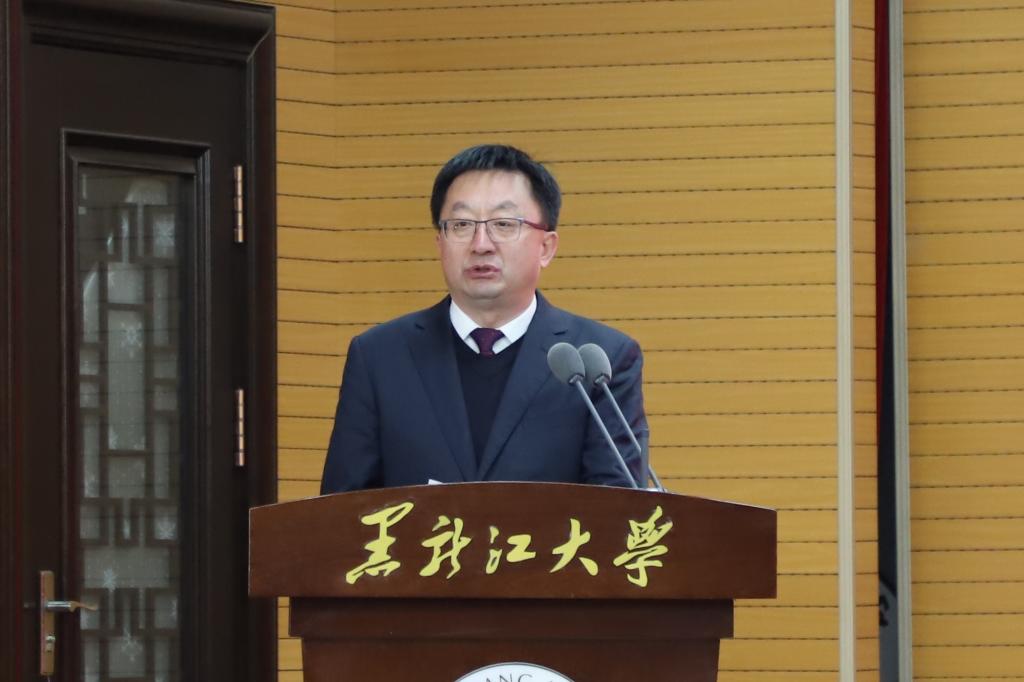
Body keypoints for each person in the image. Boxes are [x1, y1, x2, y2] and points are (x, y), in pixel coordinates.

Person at [320, 144, 648, 493]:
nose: (481, 244)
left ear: (546, 247)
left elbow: (618, 508)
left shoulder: (598, 363)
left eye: (503, 224)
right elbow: (341, 508)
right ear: (440, 242)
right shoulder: (380, 357)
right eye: (461, 225)